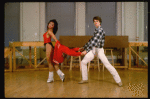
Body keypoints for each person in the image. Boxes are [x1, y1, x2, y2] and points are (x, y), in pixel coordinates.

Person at [78, 16, 122, 87]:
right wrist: (83, 47)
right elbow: (91, 40)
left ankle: (118, 80)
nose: (95, 22)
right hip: (93, 50)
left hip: (99, 50)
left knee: (107, 65)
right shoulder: (96, 30)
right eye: (94, 21)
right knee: (83, 62)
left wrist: (86, 51)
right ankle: (85, 79)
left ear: (100, 22)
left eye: (97, 21)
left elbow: (94, 42)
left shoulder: (100, 31)